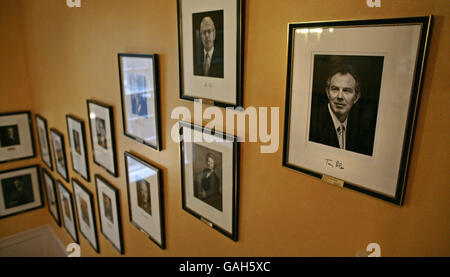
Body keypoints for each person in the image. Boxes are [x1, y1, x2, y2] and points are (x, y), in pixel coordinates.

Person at [309, 64, 376, 156]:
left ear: (356, 97)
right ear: (328, 93)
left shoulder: (363, 128)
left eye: (346, 90)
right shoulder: (312, 123)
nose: (340, 96)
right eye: (335, 89)